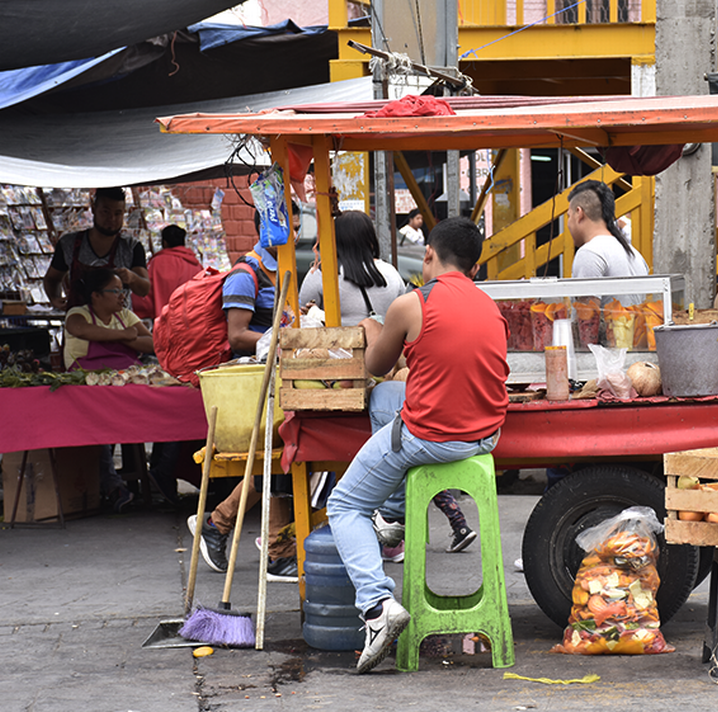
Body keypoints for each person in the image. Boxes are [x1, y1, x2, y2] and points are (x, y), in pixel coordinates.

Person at [326, 217, 508, 673]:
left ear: (428, 254)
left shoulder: (411, 304)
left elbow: (375, 365)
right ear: (474, 263)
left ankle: (375, 607)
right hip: (485, 436)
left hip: (431, 438)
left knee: (344, 504)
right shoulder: (490, 306)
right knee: (392, 407)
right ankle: (390, 517)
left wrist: (372, 328)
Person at [299, 211, 479, 559]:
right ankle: (417, 522)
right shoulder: (391, 274)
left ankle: (380, 561)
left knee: (380, 462)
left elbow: (302, 317)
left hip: (348, 380)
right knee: (409, 439)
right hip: (415, 379)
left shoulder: (323, 276)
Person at [186, 211, 298, 583]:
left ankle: (219, 523)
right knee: (273, 459)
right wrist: (279, 338)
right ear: (264, 227)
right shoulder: (244, 275)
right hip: (252, 385)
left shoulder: (282, 272)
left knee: (279, 459)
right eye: (286, 225)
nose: (292, 232)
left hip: (279, 380)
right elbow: (237, 335)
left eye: (296, 225)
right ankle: (276, 550)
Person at [63, 267, 154, 512]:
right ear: (96, 295)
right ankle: (112, 485)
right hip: (89, 386)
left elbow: (152, 343)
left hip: (125, 383)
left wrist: (126, 337)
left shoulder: (126, 315)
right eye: (115, 291)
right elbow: (81, 330)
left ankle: (156, 476)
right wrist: (124, 335)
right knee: (98, 422)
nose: (122, 296)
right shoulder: (78, 314)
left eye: (122, 290)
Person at [132, 225, 205, 504]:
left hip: (164, 339)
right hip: (192, 341)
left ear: (163, 241)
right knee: (183, 404)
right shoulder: (196, 265)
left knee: (166, 405)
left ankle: (162, 469)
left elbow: (142, 305)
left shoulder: (155, 264)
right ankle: (166, 469)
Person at [44, 187, 150, 310]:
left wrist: (132, 278)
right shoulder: (69, 243)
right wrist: (54, 299)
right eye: (105, 212)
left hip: (118, 326)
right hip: (79, 324)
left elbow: (144, 289)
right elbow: (52, 278)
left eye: (118, 213)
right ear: (94, 209)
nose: (112, 219)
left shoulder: (131, 247)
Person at [567, 179, 649, 306]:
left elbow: (587, 321)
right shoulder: (634, 253)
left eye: (568, 216)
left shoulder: (589, 253)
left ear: (579, 213)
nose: (568, 223)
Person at [132, 225, 203, 320]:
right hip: (191, 322)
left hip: (165, 322)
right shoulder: (196, 265)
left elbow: (144, 294)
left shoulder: (156, 263)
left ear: (164, 243)